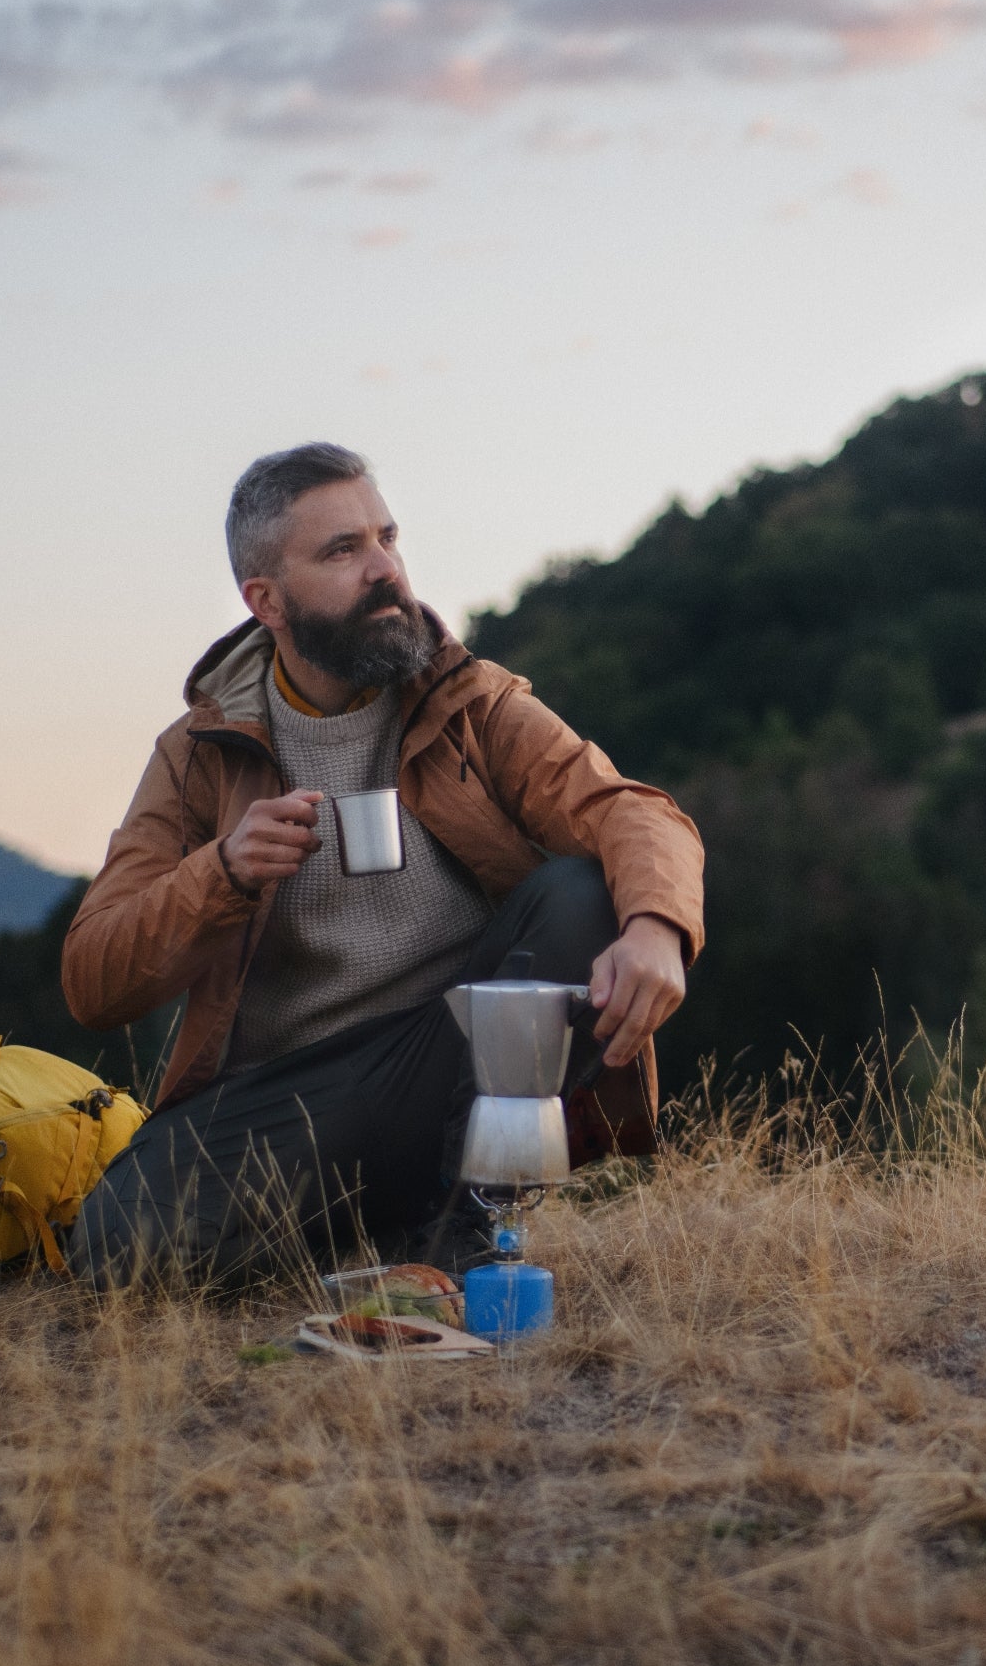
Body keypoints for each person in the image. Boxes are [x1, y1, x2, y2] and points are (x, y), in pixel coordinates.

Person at [61, 442, 703, 1281]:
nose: (384, 569)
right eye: (342, 550)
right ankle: (380, 1220)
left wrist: (657, 928)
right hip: (297, 1095)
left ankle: (461, 1224)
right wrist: (221, 872)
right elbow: (92, 979)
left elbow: (629, 811)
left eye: (386, 538)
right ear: (267, 601)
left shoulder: (468, 700)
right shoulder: (198, 755)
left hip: (452, 1056)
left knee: (582, 893)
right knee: (113, 1248)